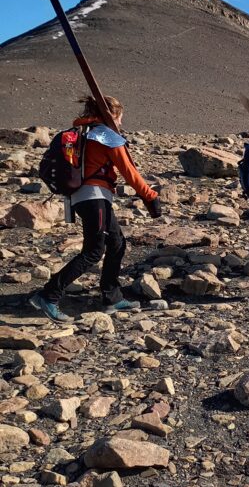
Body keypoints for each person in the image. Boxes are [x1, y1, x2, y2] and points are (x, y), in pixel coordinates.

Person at [30, 95, 161, 322]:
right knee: (93, 250)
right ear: (112, 115)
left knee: (117, 242)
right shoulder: (106, 137)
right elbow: (129, 172)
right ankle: (49, 295)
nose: (121, 123)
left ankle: (111, 296)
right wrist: (150, 197)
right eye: (120, 118)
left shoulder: (81, 133)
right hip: (95, 196)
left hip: (83, 196)